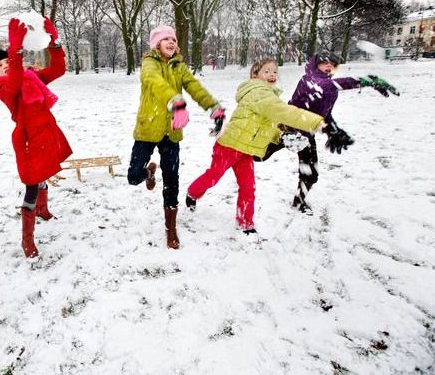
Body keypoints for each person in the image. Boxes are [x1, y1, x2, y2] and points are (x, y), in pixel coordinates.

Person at [186, 58, 324, 233]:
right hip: (228, 145)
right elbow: (285, 112)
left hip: (246, 151)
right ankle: (192, 193)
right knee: (213, 176)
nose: (272, 75)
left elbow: (268, 126)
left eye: (274, 71)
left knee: (248, 187)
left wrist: (281, 136)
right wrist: (314, 122)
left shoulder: (269, 97)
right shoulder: (258, 92)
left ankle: (245, 222)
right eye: (266, 71)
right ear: (255, 75)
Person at [256, 51, 399, 213]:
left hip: (305, 135)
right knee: (258, 155)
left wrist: (333, 130)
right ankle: (232, 153)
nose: (329, 66)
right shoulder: (309, 80)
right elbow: (325, 86)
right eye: (324, 63)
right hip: (287, 128)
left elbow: (324, 113)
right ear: (316, 65)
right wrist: (367, 81)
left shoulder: (331, 89)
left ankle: (298, 201)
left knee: (310, 175)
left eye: (332, 63)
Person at [127, 25, 225, 249]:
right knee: (133, 177)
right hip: (148, 128)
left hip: (172, 131)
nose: (171, 42)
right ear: (156, 44)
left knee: (172, 179)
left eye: (173, 38)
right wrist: (176, 101)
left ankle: (170, 227)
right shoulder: (149, 64)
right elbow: (154, 82)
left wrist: (213, 107)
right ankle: (149, 172)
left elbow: (194, 87)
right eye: (165, 39)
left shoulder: (179, 66)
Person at [0, 17, 72, 258]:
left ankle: (43, 209)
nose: (6, 65)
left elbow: (58, 69)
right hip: (27, 140)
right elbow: (15, 78)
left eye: (8, 61)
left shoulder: (33, 77)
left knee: (44, 174)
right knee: (31, 184)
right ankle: (27, 239)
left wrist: (54, 41)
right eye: (0, 65)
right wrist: (14, 51)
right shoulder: (3, 88)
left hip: (46, 134)